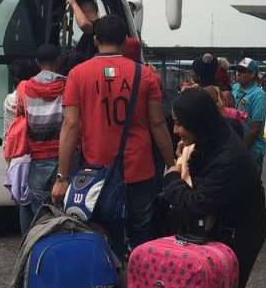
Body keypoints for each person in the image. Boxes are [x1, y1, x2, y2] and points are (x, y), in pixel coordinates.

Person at [52, 15, 176, 256]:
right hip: (139, 169)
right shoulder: (146, 75)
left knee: (101, 232)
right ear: (124, 41)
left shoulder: (78, 74)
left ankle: (109, 286)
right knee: (141, 230)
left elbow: (71, 125)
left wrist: (62, 176)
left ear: (96, 40)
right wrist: (171, 163)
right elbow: (158, 123)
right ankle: (140, 284)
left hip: (95, 172)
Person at [162, 88, 266, 288]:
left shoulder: (227, 158)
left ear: (198, 122)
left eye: (180, 123)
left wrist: (172, 179)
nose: (175, 130)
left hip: (241, 231)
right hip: (223, 222)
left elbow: (196, 203)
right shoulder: (213, 135)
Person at [15, 44, 68, 232]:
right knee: (61, 207)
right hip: (64, 156)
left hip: (37, 155)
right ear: (59, 61)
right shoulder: (67, 85)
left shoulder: (25, 87)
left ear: (37, 63)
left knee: (37, 205)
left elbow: (21, 115)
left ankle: (33, 245)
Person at [232, 57, 266, 172]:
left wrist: (241, 150)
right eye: (238, 70)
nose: (238, 74)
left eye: (243, 71)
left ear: (252, 74)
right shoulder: (235, 88)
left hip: (251, 149)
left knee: (252, 185)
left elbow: (254, 129)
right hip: (234, 145)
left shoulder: (259, 96)